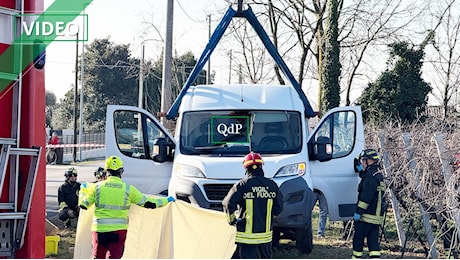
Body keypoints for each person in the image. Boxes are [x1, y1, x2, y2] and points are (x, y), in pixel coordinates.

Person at [78, 155, 176, 259]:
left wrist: (83, 191)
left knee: (98, 257)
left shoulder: (97, 187)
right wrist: (167, 200)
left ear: (106, 171)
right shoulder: (129, 189)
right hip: (118, 232)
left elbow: (83, 205)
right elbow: (149, 203)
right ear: (121, 172)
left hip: (99, 231)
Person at [223, 152, 284, 259]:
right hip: (265, 238)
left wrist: (232, 220)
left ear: (246, 168)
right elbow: (279, 208)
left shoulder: (242, 185)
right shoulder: (272, 185)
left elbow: (227, 203)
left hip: (246, 238)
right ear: (261, 166)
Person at [352, 149, 385, 259]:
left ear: (370, 161)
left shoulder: (370, 176)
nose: (362, 163)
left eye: (363, 160)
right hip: (376, 218)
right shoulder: (377, 174)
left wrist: (358, 213)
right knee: (373, 242)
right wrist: (358, 164)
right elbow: (362, 173)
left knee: (358, 240)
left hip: (366, 216)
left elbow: (365, 198)